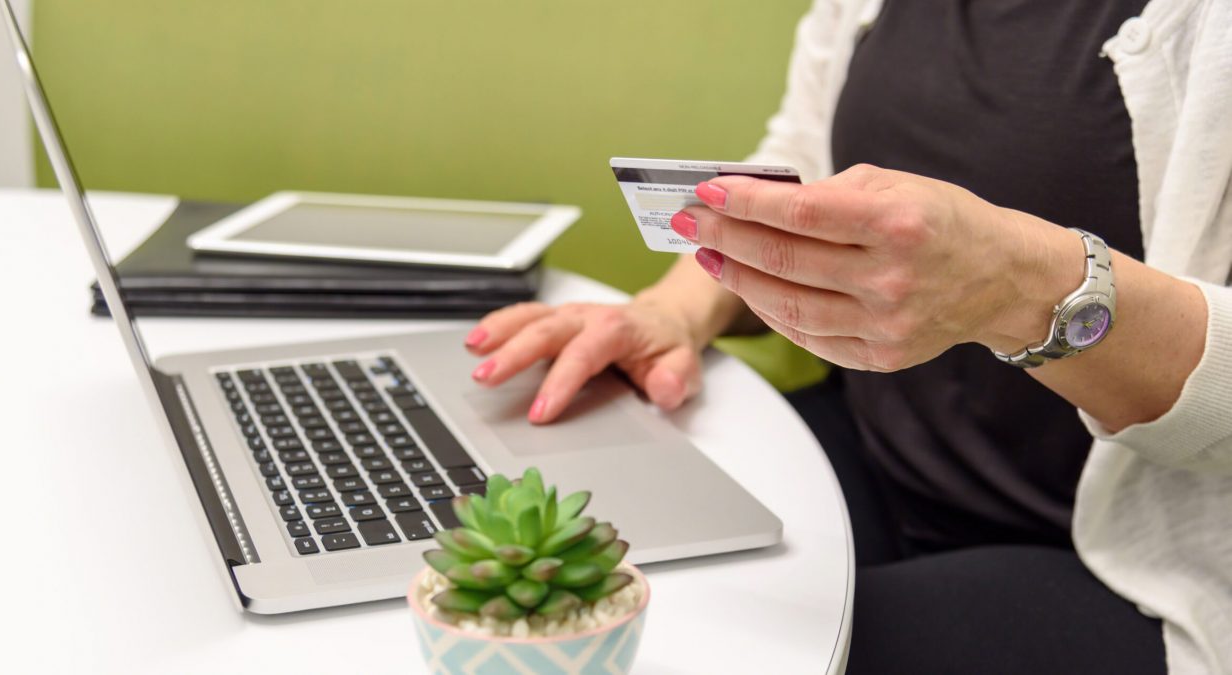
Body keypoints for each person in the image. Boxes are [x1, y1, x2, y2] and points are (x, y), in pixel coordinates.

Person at [462, 1, 1232, 673]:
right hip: (874, 454)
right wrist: (673, 312)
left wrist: (1024, 288)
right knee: (592, 561)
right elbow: (804, 165)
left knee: (705, 642)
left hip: (1131, 563)